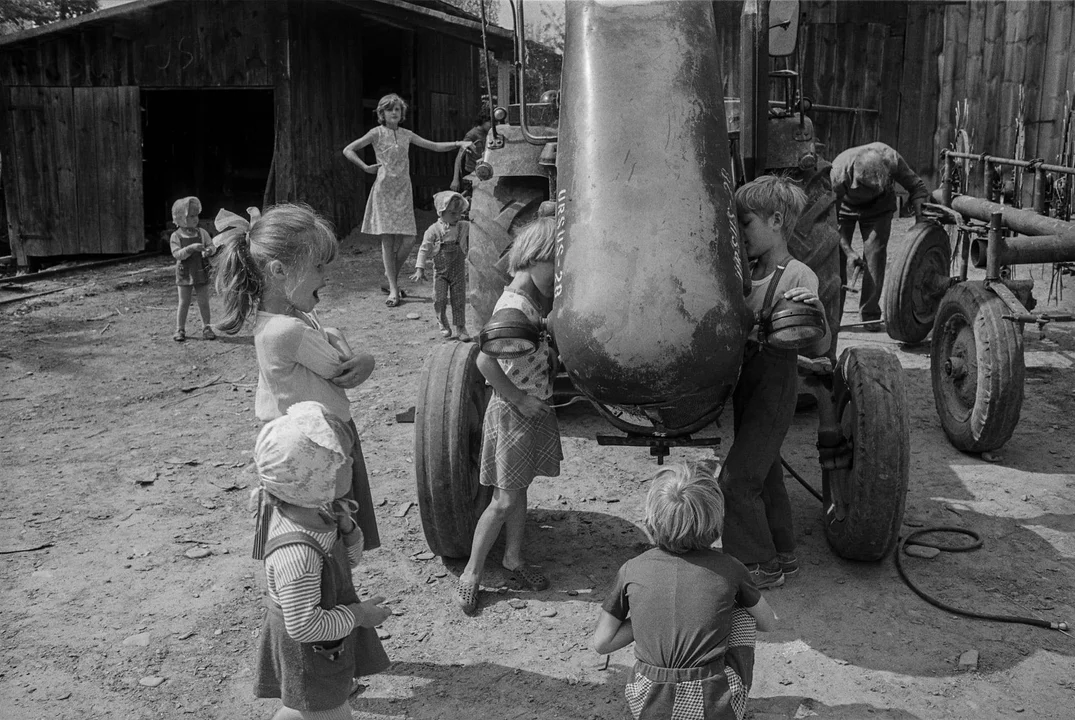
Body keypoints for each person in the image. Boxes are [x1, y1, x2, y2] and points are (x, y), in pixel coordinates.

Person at [213, 203, 381, 557]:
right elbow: (342, 369)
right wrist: (365, 358)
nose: (324, 276)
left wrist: (330, 332)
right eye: (318, 267)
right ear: (279, 271)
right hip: (316, 453)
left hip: (304, 447)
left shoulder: (283, 318)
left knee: (315, 542)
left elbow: (324, 332)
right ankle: (324, 605)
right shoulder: (289, 329)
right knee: (324, 543)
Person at [592, 461, 778, 720]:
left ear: (650, 518)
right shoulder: (731, 568)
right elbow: (768, 623)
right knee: (742, 612)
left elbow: (601, 644)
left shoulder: (631, 569)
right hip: (714, 706)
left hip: (647, 703)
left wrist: (650, 617)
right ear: (716, 520)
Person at [719, 175, 830, 590]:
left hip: (775, 387)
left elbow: (821, 346)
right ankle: (784, 553)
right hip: (748, 389)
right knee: (766, 476)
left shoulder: (798, 276)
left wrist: (815, 310)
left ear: (777, 220)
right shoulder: (745, 273)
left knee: (736, 480)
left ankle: (758, 565)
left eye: (744, 223)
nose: (739, 232)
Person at [251, 401, 392, 720]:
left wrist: (348, 531)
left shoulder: (319, 512)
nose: (353, 462)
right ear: (313, 479)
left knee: (307, 707)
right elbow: (303, 625)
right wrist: (358, 615)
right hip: (310, 649)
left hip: (326, 638)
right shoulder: (298, 553)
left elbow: (347, 564)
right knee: (331, 710)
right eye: (342, 462)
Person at [453, 216, 563, 615]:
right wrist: (517, 398)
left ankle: (514, 557)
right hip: (515, 412)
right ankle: (471, 574)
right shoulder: (514, 305)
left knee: (518, 489)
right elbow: (485, 361)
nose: (559, 275)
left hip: (528, 408)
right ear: (534, 258)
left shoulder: (530, 302)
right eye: (556, 264)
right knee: (502, 500)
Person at [342, 93, 471, 308]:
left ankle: (389, 277)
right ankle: (393, 289)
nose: (394, 112)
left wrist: (459, 143)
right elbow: (348, 150)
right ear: (382, 114)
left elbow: (434, 146)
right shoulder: (376, 133)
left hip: (403, 190)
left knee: (410, 239)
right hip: (383, 190)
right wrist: (365, 167)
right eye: (390, 109)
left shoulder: (406, 134)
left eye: (398, 109)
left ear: (401, 114)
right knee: (388, 241)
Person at [829, 142, 929, 329]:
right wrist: (849, 251)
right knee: (838, 260)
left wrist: (920, 226)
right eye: (865, 187)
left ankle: (870, 314)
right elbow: (830, 223)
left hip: (879, 208)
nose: (869, 191)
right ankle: (834, 317)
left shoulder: (892, 159)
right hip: (844, 209)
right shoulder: (838, 172)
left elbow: (918, 187)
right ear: (855, 176)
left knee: (875, 257)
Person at [410, 190, 472, 341]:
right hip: (441, 274)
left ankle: (460, 327)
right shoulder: (433, 230)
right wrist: (420, 268)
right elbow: (424, 249)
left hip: (458, 272)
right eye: (453, 214)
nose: (457, 217)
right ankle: (442, 322)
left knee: (459, 299)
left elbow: (477, 225)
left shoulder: (463, 226)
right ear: (441, 212)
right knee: (440, 298)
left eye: (460, 213)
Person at [169, 196, 217, 342]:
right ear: (181, 218)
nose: (195, 219)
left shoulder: (201, 233)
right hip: (185, 272)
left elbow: (212, 246)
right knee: (184, 302)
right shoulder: (176, 236)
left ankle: (207, 327)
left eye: (196, 215)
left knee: (203, 301)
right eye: (191, 216)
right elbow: (177, 254)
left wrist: (209, 251)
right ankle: (180, 329)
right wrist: (190, 248)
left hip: (201, 270)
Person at [450, 111, 492, 197]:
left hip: (484, 172)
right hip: (472, 173)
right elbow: (459, 157)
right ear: (484, 121)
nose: (492, 125)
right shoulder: (471, 135)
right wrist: (455, 179)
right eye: (490, 122)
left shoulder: (488, 133)